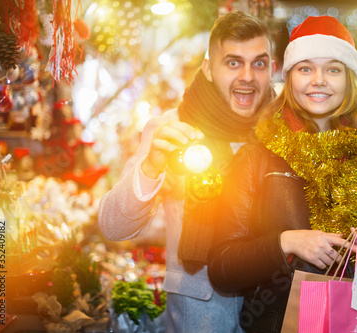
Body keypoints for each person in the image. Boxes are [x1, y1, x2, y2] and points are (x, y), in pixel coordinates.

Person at [208, 15, 357, 333]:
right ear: (289, 78)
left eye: (332, 69)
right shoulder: (256, 158)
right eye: (306, 68)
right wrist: (287, 242)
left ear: (349, 79)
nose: (319, 80)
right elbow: (222, 267)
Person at [98, 11, 275, 332]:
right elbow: (113, 227)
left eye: (258, 63)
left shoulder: (286, 135)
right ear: (208, 69)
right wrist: (151, 166)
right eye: (233, 62)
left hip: (274, 311)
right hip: (199, 318)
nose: (247, 76)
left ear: (271, 69)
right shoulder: (171, 130)